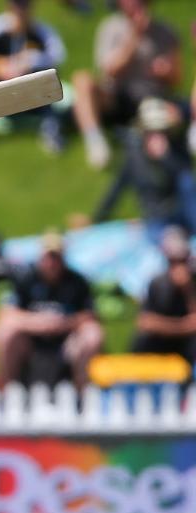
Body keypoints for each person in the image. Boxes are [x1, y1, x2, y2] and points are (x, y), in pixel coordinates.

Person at [72, 0, 182, 169]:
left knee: (173, 113)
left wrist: (166, 71)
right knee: (82, 80)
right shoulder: (110, 28)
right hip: (116, 95)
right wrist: (135, 37)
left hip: (149, 98)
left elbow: (176, 79)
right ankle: (95, 141)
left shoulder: (166, 32)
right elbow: (110, 70)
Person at [0, 232, 105, 388]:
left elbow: (91, 315)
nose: (52, 263)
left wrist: (65, 323)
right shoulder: (26, 278)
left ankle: (83, 390)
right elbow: (6, 313)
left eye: (56, 257)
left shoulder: (78, 281)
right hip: (31, 338)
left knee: (93, 333)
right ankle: (7, 388)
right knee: (5, 331)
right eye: (48, 257)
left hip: (67, 340)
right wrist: (36, 323)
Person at [0, 0, 66, 152]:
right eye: (16, 5)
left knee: (48, 78)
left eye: (24, 5)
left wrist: (31, 60)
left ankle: (51, 128)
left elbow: (58, 55)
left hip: (28, 92)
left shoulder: (40, 30)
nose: (20, 10)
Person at [92, 97, 196, 236]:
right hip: (157, 218)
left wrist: (166, 157)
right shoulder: (134, 157)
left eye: (162, 131)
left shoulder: (176, 148)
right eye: (152, 132)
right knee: (165, 238)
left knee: (186, 182)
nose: (158, 136)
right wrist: (96, 219)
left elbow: (186, 178)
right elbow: (116, 189)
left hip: (182, 211)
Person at [131, 227, 196, 363]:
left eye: (182, 261)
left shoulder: (193, 282)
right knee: (143, 340)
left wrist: (188, 289)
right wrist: (182, 327)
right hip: (161, 342)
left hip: (188, 345)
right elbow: (146, 322)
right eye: (173, 261)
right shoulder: (157, 283)